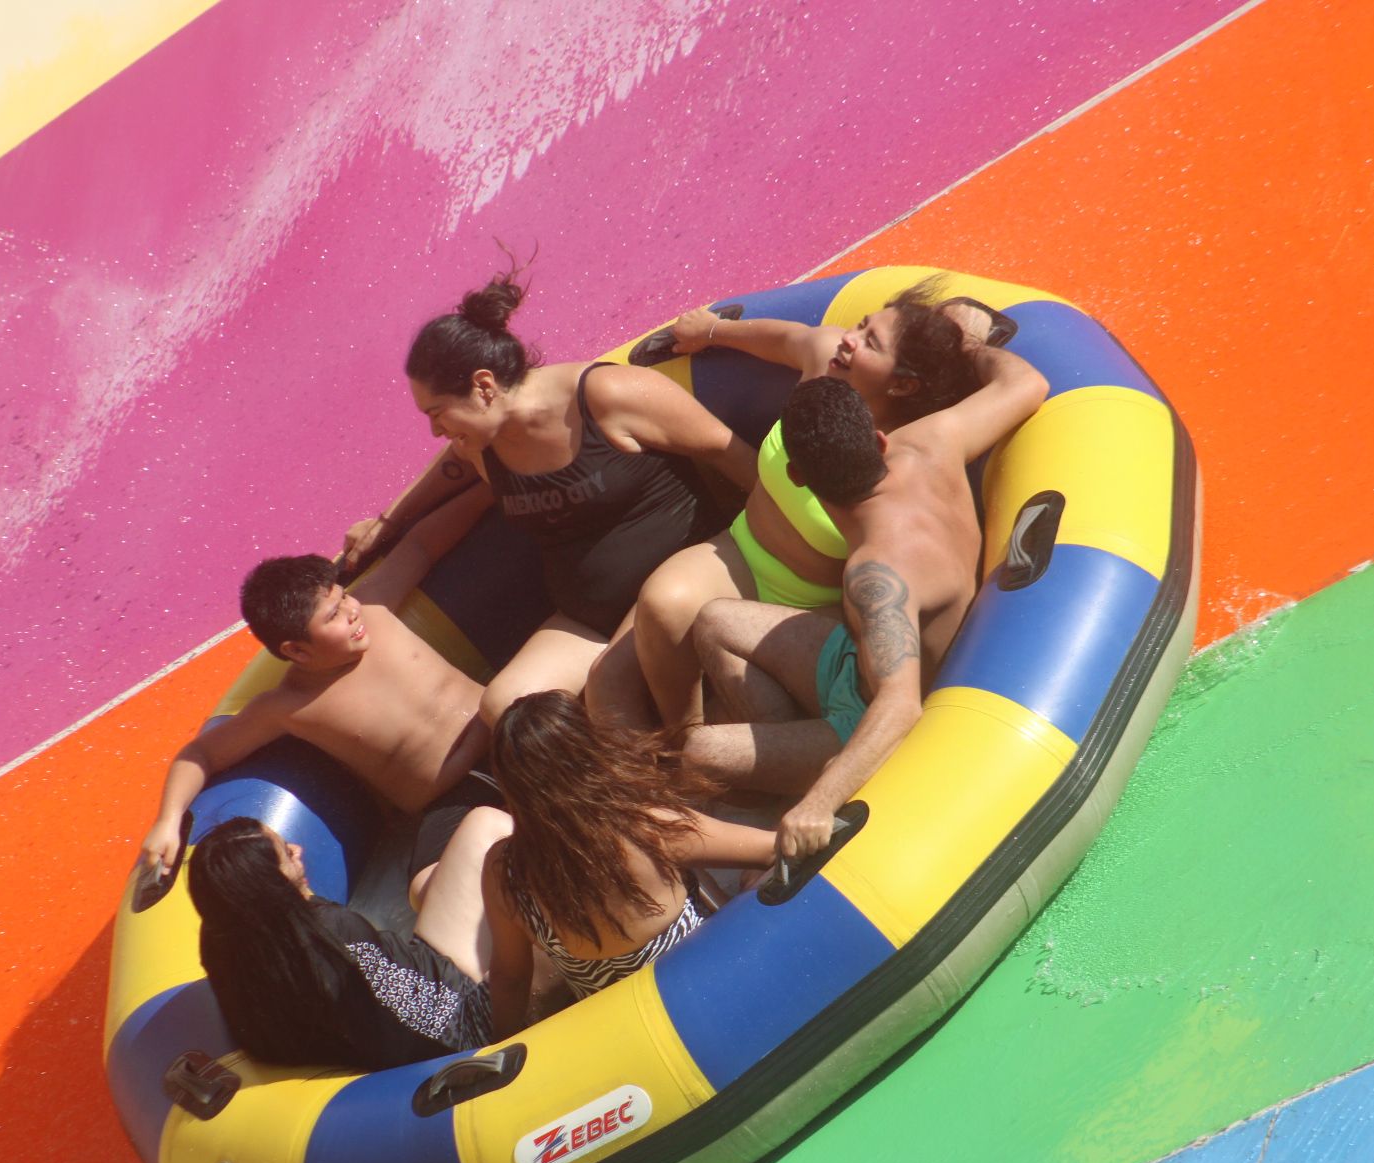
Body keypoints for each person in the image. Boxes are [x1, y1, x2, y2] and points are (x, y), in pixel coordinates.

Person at [340, 266, 757, 727]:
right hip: (589, 620)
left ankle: (690, 756)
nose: (436, 430)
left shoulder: (606, 396)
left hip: (683, 577)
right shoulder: (481, 446)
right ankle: (641, 772)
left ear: (484, 386)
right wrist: (389, 522)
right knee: (504, 706)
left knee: (610, 687)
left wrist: (770, 553)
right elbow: (446, 472)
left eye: (438, 412)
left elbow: (731, 453)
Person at [603, 279, 1015, 735]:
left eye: (871, 342)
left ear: (903, 384)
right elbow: (785, 338)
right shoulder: (828, 361)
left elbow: (1024, 386)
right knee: (654, 616)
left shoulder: (917, 443)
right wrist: (712, 331)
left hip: (823, 605)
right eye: (861, 325)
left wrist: (969, 349)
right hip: (741, 552)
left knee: (733, 716)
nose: (849, 338)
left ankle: (739, 743)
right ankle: (682, 734)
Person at [685, 353, 1048, 866]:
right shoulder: (932, 440)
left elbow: (900, 706)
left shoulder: (874, 576)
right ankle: (785, 772)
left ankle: (794, 791)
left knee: (698, 752)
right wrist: (971, 342)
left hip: (873, 718)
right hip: (859, 664)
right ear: (878, 439)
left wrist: (818, 804)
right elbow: (1027, 381)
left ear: (796, 477)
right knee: (715, 620)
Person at [137, 478, 497, 873]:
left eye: (343, 598)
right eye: (333, 616)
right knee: (423, 886)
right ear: (297, 651)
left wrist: (489, 489)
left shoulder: (374, 605)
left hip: (506, 733)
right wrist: (168, 820)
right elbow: (201, 753)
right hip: (452, 797)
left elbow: (420, 546)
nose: (351, 612)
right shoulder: (289, 706)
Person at [478, 691, 776, 1033]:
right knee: (731, 875)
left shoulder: (506, 874)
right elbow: (772, 850)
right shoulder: (647, 829)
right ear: (588, 754)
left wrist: (501, 1043)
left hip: (632, 1028)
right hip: (712, 993)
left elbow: (511, 980)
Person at [188, 810, 507, 1069]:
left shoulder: (223, 945)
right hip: (462, 1014)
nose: (298, 849)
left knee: (482, 823)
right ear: (272, 886)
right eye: (286, 853)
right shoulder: (333, 935)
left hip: (421, 982)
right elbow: (425, 1027)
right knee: (489, 826)